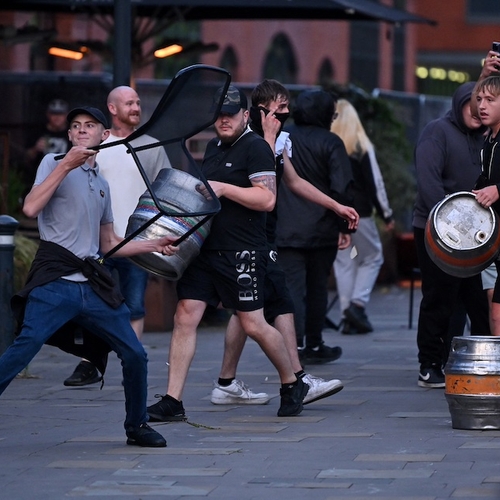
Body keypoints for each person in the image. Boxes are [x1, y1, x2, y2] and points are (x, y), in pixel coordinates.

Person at [0, 106, 178, 447]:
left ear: (103, 135)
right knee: (24, 348)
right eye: (76, 127)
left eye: (90, 126)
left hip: (92, 285)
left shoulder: (101, 185)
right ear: (69, 136)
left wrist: (154, 244)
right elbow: (30, 208)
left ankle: (137, 426)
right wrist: (67, 164)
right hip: (54, 282)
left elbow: (109, 244)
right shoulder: (53, 163)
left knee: (135, 354)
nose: (82, 131)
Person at [147, 85, 310, 421]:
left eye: (231, 114)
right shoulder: (213, 147)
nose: (224, 120)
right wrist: (182, 234)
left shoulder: (256, 149)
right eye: (219, 115)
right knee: (184, 315)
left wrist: (224, 188)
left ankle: (292, 382)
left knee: (253, 324)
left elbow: (266, 200)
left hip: (242, 250)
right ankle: (173, 400)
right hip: (207, 249)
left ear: (245, 115)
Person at [210, 80, 359, 406]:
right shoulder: (252, 143)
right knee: (276, 305)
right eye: (278, 108)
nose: (285, 114)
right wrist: (269, 136)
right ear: (260, 111)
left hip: (265, 235)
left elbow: (293, 181)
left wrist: (335, 206)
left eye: (286, 108)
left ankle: (227, 382)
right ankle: (296, 380)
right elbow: (264, 189)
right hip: (252, 238)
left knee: (247, 310)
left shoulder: (279, 141)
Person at [63, 86, 172, 387]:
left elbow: (165, 188)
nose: (136, 107)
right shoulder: (98, 143)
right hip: (97, 241)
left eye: (137, 102)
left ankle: (131, 363)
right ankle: (89, 364)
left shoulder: (150, 144)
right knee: (93, 303)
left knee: (135, 304)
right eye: (129, 103)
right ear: (112, 108)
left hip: (136, 238)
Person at [413, 82, 491, 389]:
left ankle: (482, 359)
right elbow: (428, 180)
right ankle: (429, 363)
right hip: (435, 230)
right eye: (472, 105)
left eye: (482, 106)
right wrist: (448, 223)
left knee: (477, 300)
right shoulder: (437, 131)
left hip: (477, 236)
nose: (478, 111)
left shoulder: (487, 138)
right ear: (459, 105)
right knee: (439, 297)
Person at [274, 89, 354, 364]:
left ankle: (291, 346)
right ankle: (315, 344)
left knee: (292, 289)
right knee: (318, 287)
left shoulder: (283, 138)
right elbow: (341, 185)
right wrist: (346, 227)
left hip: (284, 227)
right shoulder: (331, 142)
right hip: (322, 227)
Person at [331, 99, 394, 335]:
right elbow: (375, 184)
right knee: (373, 256)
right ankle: (357, 306)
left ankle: (348, 313)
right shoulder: (361, 147)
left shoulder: (330, 146)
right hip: (361, 213)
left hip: (334, 212)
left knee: (344, 263)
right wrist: (387, 215)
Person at [473, 75, 500, 336]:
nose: (482, 105)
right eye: (480, 99)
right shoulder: (488, 140)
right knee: (495, 310)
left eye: (490, 100)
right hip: (494, 235)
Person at [24, 99, 72, 189]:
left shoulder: (72, 133)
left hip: (66, 179)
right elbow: (26, 158)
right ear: (48, 114)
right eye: (54, 114)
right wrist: (35, 149)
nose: (57, 117)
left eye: (60, 114)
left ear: (66, 115)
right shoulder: (38, 131)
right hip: (41, 179)